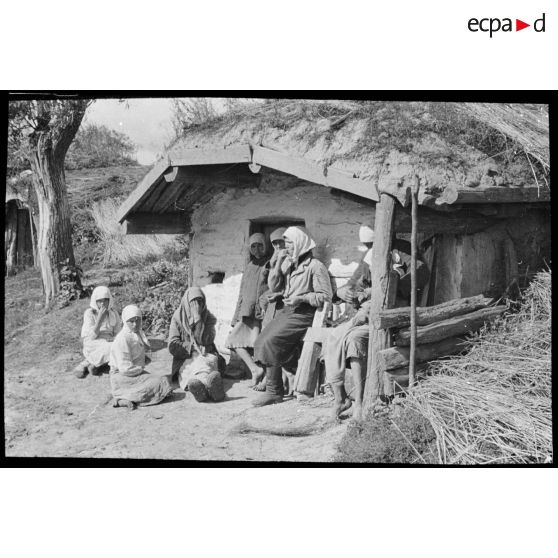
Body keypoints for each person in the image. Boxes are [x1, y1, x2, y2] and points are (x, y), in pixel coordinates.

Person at [252, 226, 333, 406]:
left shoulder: (315, 266)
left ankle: (274, 391)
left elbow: (326, 296)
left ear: (300, 243)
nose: (286, 247)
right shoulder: (290, 263)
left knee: (270, 341)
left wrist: (302, 298)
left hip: (305, 314)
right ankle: (281, 382)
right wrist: (277, 270)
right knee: (260, 340)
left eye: (289, 243)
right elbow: (274, 286)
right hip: (289, 311)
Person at [109, 305, 174, 410]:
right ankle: (120, 398)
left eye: (138, 320)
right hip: (122, 376)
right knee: (159, 382)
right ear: (125, 321)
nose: (135, 324)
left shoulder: (137, 333)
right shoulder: (122, 339)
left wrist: (144, 359)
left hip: (133, 372)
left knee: (162, 382)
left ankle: (127, 398)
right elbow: (124, 368)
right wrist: (141, 368)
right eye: (131, 321)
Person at [225, 232, 269, 383]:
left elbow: (272, 288)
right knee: (232, 340)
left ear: (266, 245)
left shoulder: (269, 264)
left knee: (258, 345)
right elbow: (241, 293)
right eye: (254, 246)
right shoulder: (249, 266)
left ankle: (263, 376)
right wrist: (235, 317)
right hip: (245, 313)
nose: (257, 250)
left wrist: (262, 304)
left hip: (259, 313)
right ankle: (255, 369)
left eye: (260, 246)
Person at [253, 227, 293, 393]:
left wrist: (279, 293)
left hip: (286, 304)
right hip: (273, 305)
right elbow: (268, 282)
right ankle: (268, 377)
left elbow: (292, 286)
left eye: (280, 242)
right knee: (264, 337)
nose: (277, 246)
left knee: (276, 342)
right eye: (274, 243)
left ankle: (282, 378)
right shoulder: (276, 257)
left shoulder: (292, 258)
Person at [168, 287, 225, 402]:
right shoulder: (177, 318)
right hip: (185, 357)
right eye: (193, 303)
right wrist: (191, 347)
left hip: (206, 354)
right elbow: (173, 346)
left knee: (204, 362)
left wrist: (198, 320)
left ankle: (202, 389)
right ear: (186, 302)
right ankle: (207, 388)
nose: (197, 306)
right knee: (188, 369)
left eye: (200, 302)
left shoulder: (208, 317)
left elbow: (207, 341)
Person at [323, 301, 371, 422]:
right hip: (363, 314)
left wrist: (367, 294)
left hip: (380, 316)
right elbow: (337, 294)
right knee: (333, 337)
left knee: (354, 339)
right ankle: (340, 398)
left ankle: (360, 403)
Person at [74, 286, 122, 378]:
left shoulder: (113, 313)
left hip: (109, 340)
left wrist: (114, 338)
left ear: (109, 300)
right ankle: (92, 364)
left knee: (118, 345)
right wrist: (99, 319)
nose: (103, 303)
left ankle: (93, 364)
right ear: (95, 301)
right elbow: (90, 337)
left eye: (105, 300)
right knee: (112, 349)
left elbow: (118, 332)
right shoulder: (89, 313)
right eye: (100, 301)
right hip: (94, 342)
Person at [334, 225, 374, 314]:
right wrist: (340, 292)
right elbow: (354, 281)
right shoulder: (368, 256)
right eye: (367, 245)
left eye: (371, 244)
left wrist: (371, 292)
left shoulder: (403, 251)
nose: (370, 249)